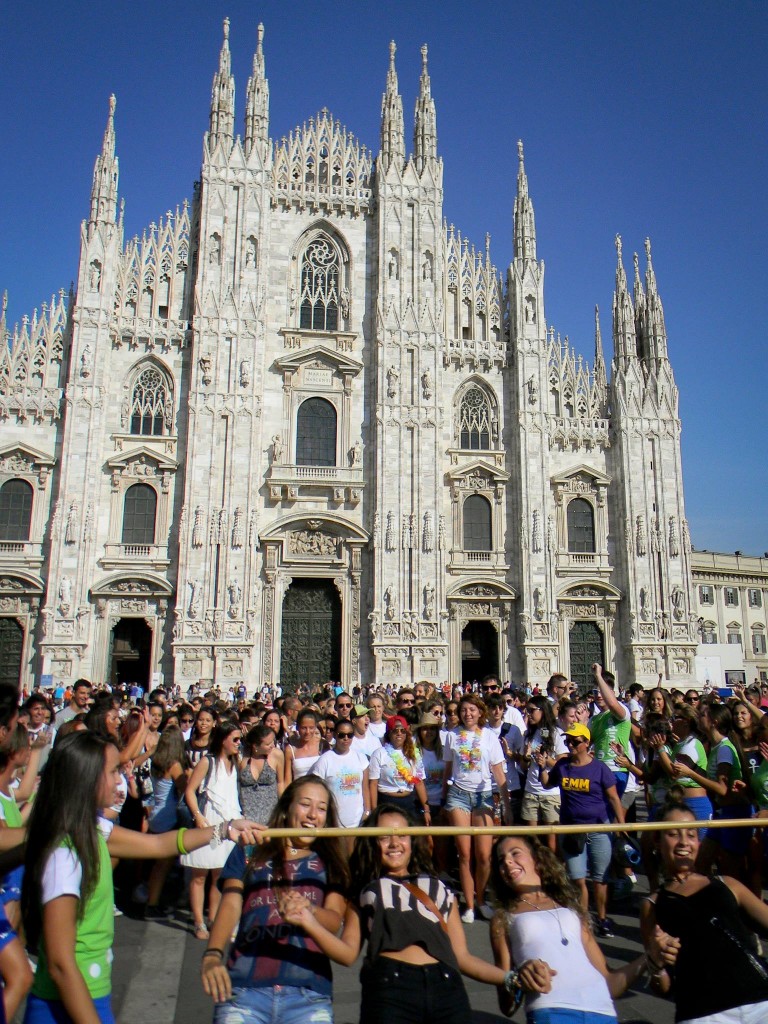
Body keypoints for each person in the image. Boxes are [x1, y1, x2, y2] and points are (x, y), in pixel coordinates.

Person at [21, 731, 257, 1024]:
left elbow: (159, 845)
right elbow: (59, 963)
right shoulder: (65, 852)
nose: (120, 779)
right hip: (65, 1001)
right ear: (86, 779)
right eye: (113, 771)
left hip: (89, 991)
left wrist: (225, 829)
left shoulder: (93, 828)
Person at [283, 804, 510, 1024]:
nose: (394, 843)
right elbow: (347, 954)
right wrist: (308, 921)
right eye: (384, 837)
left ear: (412, 841)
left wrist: (511, 978)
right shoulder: (366, 888)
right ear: (373, 843)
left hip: (447, 986)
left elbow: (462, 957)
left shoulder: (439, 887)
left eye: (401, 835)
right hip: (391, 987)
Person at [200, 776, 350, 1024]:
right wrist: (213, 955)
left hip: (308, 993)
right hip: (243, 991)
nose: (313, 814)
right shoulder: (251, 849)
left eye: (321, 809)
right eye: (305, 804)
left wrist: (309, 911)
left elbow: (333, 922)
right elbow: (230, 904)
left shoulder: (332, 860)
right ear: (287, 807)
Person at [490, 833, 652, 1023]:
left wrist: (650, 957)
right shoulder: (503, 917)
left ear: (537, 857)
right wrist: (519, 978)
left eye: (515, 853)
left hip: (602, 1011)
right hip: (551, 1011)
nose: (507, 862)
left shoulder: (571, 907)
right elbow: (506, 1004)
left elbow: (610, 983)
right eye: (501, 861)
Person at [640, 794, 768, 1023]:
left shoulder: (727, 884)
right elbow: (664, 988)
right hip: (704, 1014)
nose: (683, 842)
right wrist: (657, 963)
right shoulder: (652, 905)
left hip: (760, 1001)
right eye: (673, 834)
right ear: (657, 842)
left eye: (691, 834)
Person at [539, 723, 625, 937]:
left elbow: (614, 798)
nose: (571, 745)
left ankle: (602, 918)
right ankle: (583, 920)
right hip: (572, 828)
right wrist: (541, 766)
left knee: (600, 878)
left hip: (598, 827)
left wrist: (622, 827)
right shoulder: (563, 765)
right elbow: (548, 784)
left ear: (587, 743)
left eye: (575, 741)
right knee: (577, 878)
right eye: (568, 741)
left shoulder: (600, 768)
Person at [442, 694, 512, 922]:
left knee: (484, 855)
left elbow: (499, 773)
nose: (467, 714)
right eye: (464, 710)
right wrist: (444, 798)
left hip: (483, 796)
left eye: (472, 710)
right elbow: (448, 770)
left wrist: (506, 805)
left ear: (480, 712)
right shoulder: (452, 736)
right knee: (464, 854)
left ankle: (481, 898)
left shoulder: (490, 737)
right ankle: (470, 905)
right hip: (458, 795)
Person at [183, 721, 244, 938]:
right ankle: (199, 922)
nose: (239, 743)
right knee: (199, 874)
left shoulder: (235, 763)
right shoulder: (207, 762)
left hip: (228, 821)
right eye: (235, 739)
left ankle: (215, 918)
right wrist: (198, 817)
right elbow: (190, 791)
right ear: (223, 740)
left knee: (219, 873)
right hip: (208, 819)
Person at [313, 719, 370, 839]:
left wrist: (367, 811)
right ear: (334, 735)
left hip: (357, 820)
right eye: (341, 735)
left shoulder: (361, 758)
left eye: (350, 735)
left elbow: (365, 788)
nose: (346, 738)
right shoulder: (325, 760)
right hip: (334, 821)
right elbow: (316, 789)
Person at [368, 716, 429, 822]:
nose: (399, 733)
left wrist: (426, 810)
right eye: (395, 730)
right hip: (386, 801)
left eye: (402, 730)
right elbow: (373, 784)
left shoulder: (414, 754)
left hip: (408, 800)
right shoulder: (379, 753)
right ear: (389, 733)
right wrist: (374, 810)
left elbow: (419, 783)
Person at [238, 725, 284, 826]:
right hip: (246, 815)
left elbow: (280, 783)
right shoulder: (242, 756)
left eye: (273, 741)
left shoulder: (277, 755)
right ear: (255, 746)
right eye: (268, 744)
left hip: (271, 815)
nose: (272, 745)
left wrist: (283, 808)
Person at [284, 709, 324, 785]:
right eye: (304, 728)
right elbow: (287, 781)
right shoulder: (291, 750)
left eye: (311, 728)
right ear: (297, 728)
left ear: (315, 727)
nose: (307, 732)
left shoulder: (322, 745)